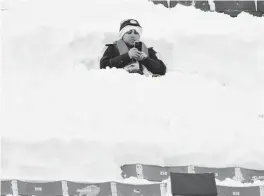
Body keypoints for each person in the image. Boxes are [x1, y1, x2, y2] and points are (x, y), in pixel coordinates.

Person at [100, 19, 167, 77]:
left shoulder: (148, 51)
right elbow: (103, 66)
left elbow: (162, 70)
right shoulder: (113, 49)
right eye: (129, 33)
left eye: (136, 33)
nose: (133, 36)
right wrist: (127, 56)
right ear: (122, 35)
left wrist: (146, 59)